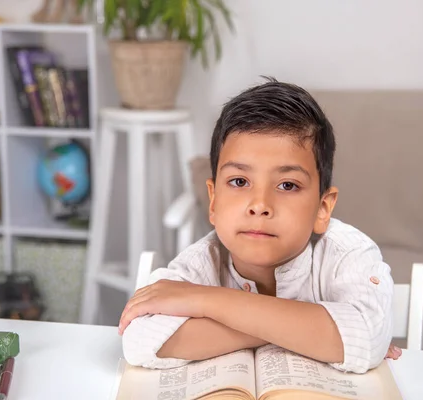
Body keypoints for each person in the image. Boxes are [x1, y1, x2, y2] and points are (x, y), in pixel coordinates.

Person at [118, 78, 402, 374]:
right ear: (213, 201)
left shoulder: (349, 251)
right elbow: (138, 342)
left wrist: (207, 301)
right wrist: (316, 334)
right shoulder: (203, 260)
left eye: (287, 185)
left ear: (322, 208)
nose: (260, 204)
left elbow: (366, 337)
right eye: (239, 181)